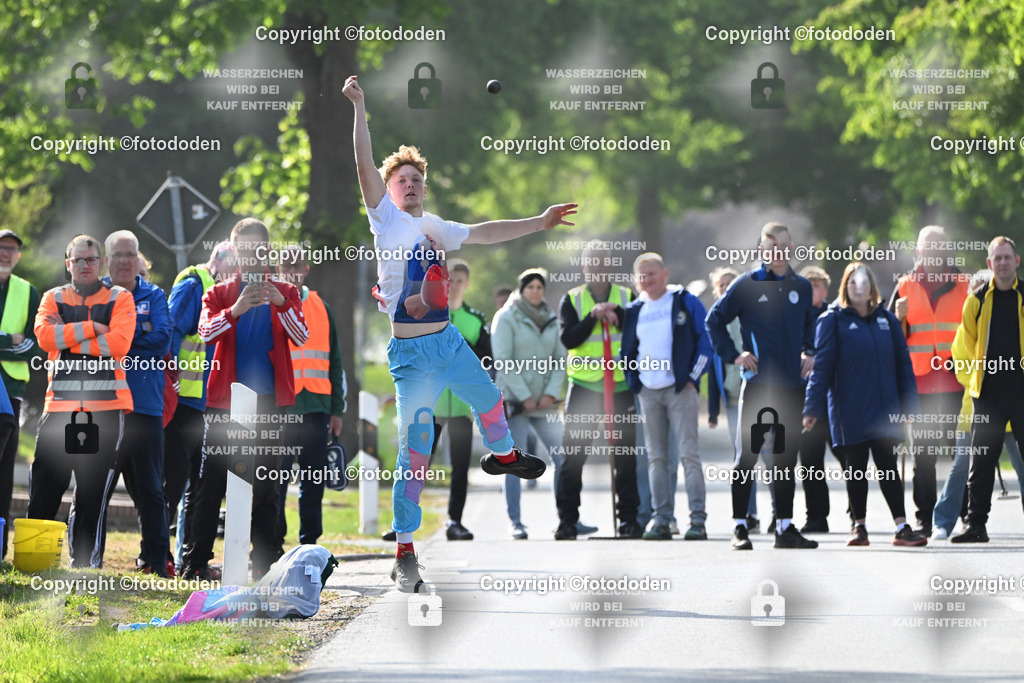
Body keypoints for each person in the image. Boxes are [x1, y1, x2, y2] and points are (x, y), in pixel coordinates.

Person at [343, 74, 574, 591]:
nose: (408, 185)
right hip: (411, 355)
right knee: (416, 450)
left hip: (448, 343)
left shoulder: (438, 226)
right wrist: (360, 108)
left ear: (425, 186)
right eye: (399, 179)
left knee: (490, 398)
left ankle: (504, 455)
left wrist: (539, 222)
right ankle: (405, 552)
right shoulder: (384, 218)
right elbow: (363, 165)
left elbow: (489, 231)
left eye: (415, 180)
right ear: (389, 189)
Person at [180, 218, 308, 580]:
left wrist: (281, 302)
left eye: (259, 249)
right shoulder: (218, 293)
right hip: (224, 404)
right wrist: (235, 309)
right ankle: (196, 563)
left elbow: (301, 336)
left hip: (268, 404)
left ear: (267, 250)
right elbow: (205, 332)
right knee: (210, 486)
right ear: (234, 251)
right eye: (245, 249)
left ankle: (264, 564)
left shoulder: (286, 291)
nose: (253, 256)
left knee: (265, 487)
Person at [705, 222, 818, 550]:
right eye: (772, 246)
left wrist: (809, 351)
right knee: (747, 457)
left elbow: (809, 325)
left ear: (791, 246)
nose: (778, 251)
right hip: (757, 388)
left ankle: (784, 527)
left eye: (784, 245)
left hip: (791, 388)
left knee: (785, 458)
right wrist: (735, 355)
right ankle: (740, 528)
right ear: (762, 250)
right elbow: (714, 322)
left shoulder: (802, 286)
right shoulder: (747, 284)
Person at [27, 234, 135, 568]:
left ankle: (83, 567)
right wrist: (92, 327)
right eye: (78, 260)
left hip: (104, 409)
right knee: (45, 488)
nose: (85, 265)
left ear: (101, 262)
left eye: (91, 259)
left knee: (90, 494)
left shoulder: (120, 297)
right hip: (58, 407)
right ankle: (36, 560)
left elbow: (118, 344)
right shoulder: (52, 297)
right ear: (67, 264)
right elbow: (45, 338)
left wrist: (69, 337)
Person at [803, 263, 927, 547]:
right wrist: (812, 408)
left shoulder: (888, 321)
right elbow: (821, 369)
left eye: (863, 282)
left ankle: (902, 527)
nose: (858, 288)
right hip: (850, 412)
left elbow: (903, 367)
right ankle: (858, 527)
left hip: (886, 411)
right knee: (855, 470)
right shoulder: (831, 320)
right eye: (852, 283)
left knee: (888, 469)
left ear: (871, 287)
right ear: (845, 287)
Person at [554, 240, 642, 540]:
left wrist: (619, 312)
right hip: (584, 388)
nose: (597, 267)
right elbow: (569, 340)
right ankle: (567, 520)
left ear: (610, 264)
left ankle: (629, 519)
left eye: (602, 262)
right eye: (591, 262)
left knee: (625, 456)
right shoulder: (572, 299)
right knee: (573, 456)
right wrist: (594, 316)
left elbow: (639, 331)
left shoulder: (627, 296)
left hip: (619, 387)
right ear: (584, 266)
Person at [621, 253, 712, 540]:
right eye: (641, 276)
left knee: (689, 455)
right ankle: (661, 519)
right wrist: (635, 383)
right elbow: (627, 352)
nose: (647, 280)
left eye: (651, 274)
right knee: (657, 458)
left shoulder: (684, 301)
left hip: (680, 390)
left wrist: (691, 379)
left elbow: (705, 342)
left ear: (665, 274)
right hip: (648, 392)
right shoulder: (635, 309)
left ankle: (697, 520)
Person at [888, 226, 970, 535]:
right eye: (928, 246)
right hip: (919, 385)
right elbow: (891, 338)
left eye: (939, 246)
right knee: (923, 458)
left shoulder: (964, 285)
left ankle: (963, 516)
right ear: (919, 251)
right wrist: (897, 317)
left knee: (959, 455)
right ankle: (924, 518)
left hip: (955, 384)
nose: (933, 251)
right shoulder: (905, 286)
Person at [932, 268, 1024, 539]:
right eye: (980, 286)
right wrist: (981, 384)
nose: (985, 289)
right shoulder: (970, 317)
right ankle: (951, 523)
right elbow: (960, 360)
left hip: (1016, 404)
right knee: (966, 465)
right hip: (979, 406)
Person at [102, 230, 174, 576]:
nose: (125, 261)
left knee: (149, 489)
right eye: (118, 255)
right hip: (102, 407)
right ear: (107, 260)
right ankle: (86, 561)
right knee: (94, 488)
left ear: (138, 259)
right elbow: (85, 339)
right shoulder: (95, 294)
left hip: (145, 407)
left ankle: (157, 561)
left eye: (130, 254)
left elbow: (162, 340)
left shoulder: (155, 295)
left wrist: (115, 340)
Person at [164, 241, 234, 572]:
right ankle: (158, 555)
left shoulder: (228, 290)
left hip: (208, 404)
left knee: (201, 485)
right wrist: (171, 383)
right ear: (217, 261)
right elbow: (171, 332)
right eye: (233, 266)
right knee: (174, 483)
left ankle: (186, 560)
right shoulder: (194, 284)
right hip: (184, 402)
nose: (237, 274)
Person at [275, 244, 346, 548]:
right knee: (274, 482)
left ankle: (309, 545)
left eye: (298, 265)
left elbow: (335, 361)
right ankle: (273, 543)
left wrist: (336, 410)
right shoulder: (270, 305)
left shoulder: (321, 307)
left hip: (317, 408)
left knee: (313, 483)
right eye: (286, 265)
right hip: (280, 408)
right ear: (278, 270)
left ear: (306, 269)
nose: (293, 270)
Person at [491, 268, 568, 539]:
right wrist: (525, 396)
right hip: (516, 403)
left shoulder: (551, 319)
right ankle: (516, 522)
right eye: (530, 286)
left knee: (563, 457)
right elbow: (503, 360)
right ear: (522, 289)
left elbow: (560, 360)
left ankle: (567, 518)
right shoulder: (506, 317)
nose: (535, 291)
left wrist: (549, 393)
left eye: (539, 287)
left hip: (545, 403)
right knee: (514, 461)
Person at [431, 259, 490, 541]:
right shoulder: (428, 314)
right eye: (448, 280)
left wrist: (460, 342)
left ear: (467, 284)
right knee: (416, 464)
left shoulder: (476, 320)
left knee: (459, 468)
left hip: (462, 407)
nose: (453, 286)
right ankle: (402, 522)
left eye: (459, 281)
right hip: (429, 405)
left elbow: (488, 362)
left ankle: (455, 521)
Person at [707, 266, 762, 532]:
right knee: (743, 457)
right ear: (716, 291)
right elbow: (711, 368)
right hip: (731, 399)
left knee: (772, 454)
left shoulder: (747, 315)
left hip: (757, 391)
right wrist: (711, 410)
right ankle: (749, 514)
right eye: (722, 286)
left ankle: (779, 514)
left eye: (732, 284)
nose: (727, 289)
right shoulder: (716, 323)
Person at [796, 265, 847, 533]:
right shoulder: (794, 317)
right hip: (808, 403)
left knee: (847, 456)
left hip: (836, 400)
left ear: (826, 290)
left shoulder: (837, 316)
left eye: (816, 285)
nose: (811, 290)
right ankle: (816, 517)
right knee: (811, 462)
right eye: (807, 285)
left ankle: (856, 510)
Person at [0, 229, 40, 562]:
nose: (6, 253)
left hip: (10, 391)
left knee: (3, 470)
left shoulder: (28, 292)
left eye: (11, 249)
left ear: (19, 256)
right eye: (1, 247)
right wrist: (7, 341)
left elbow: (32, 345)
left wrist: (16, 344)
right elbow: (15, 342)